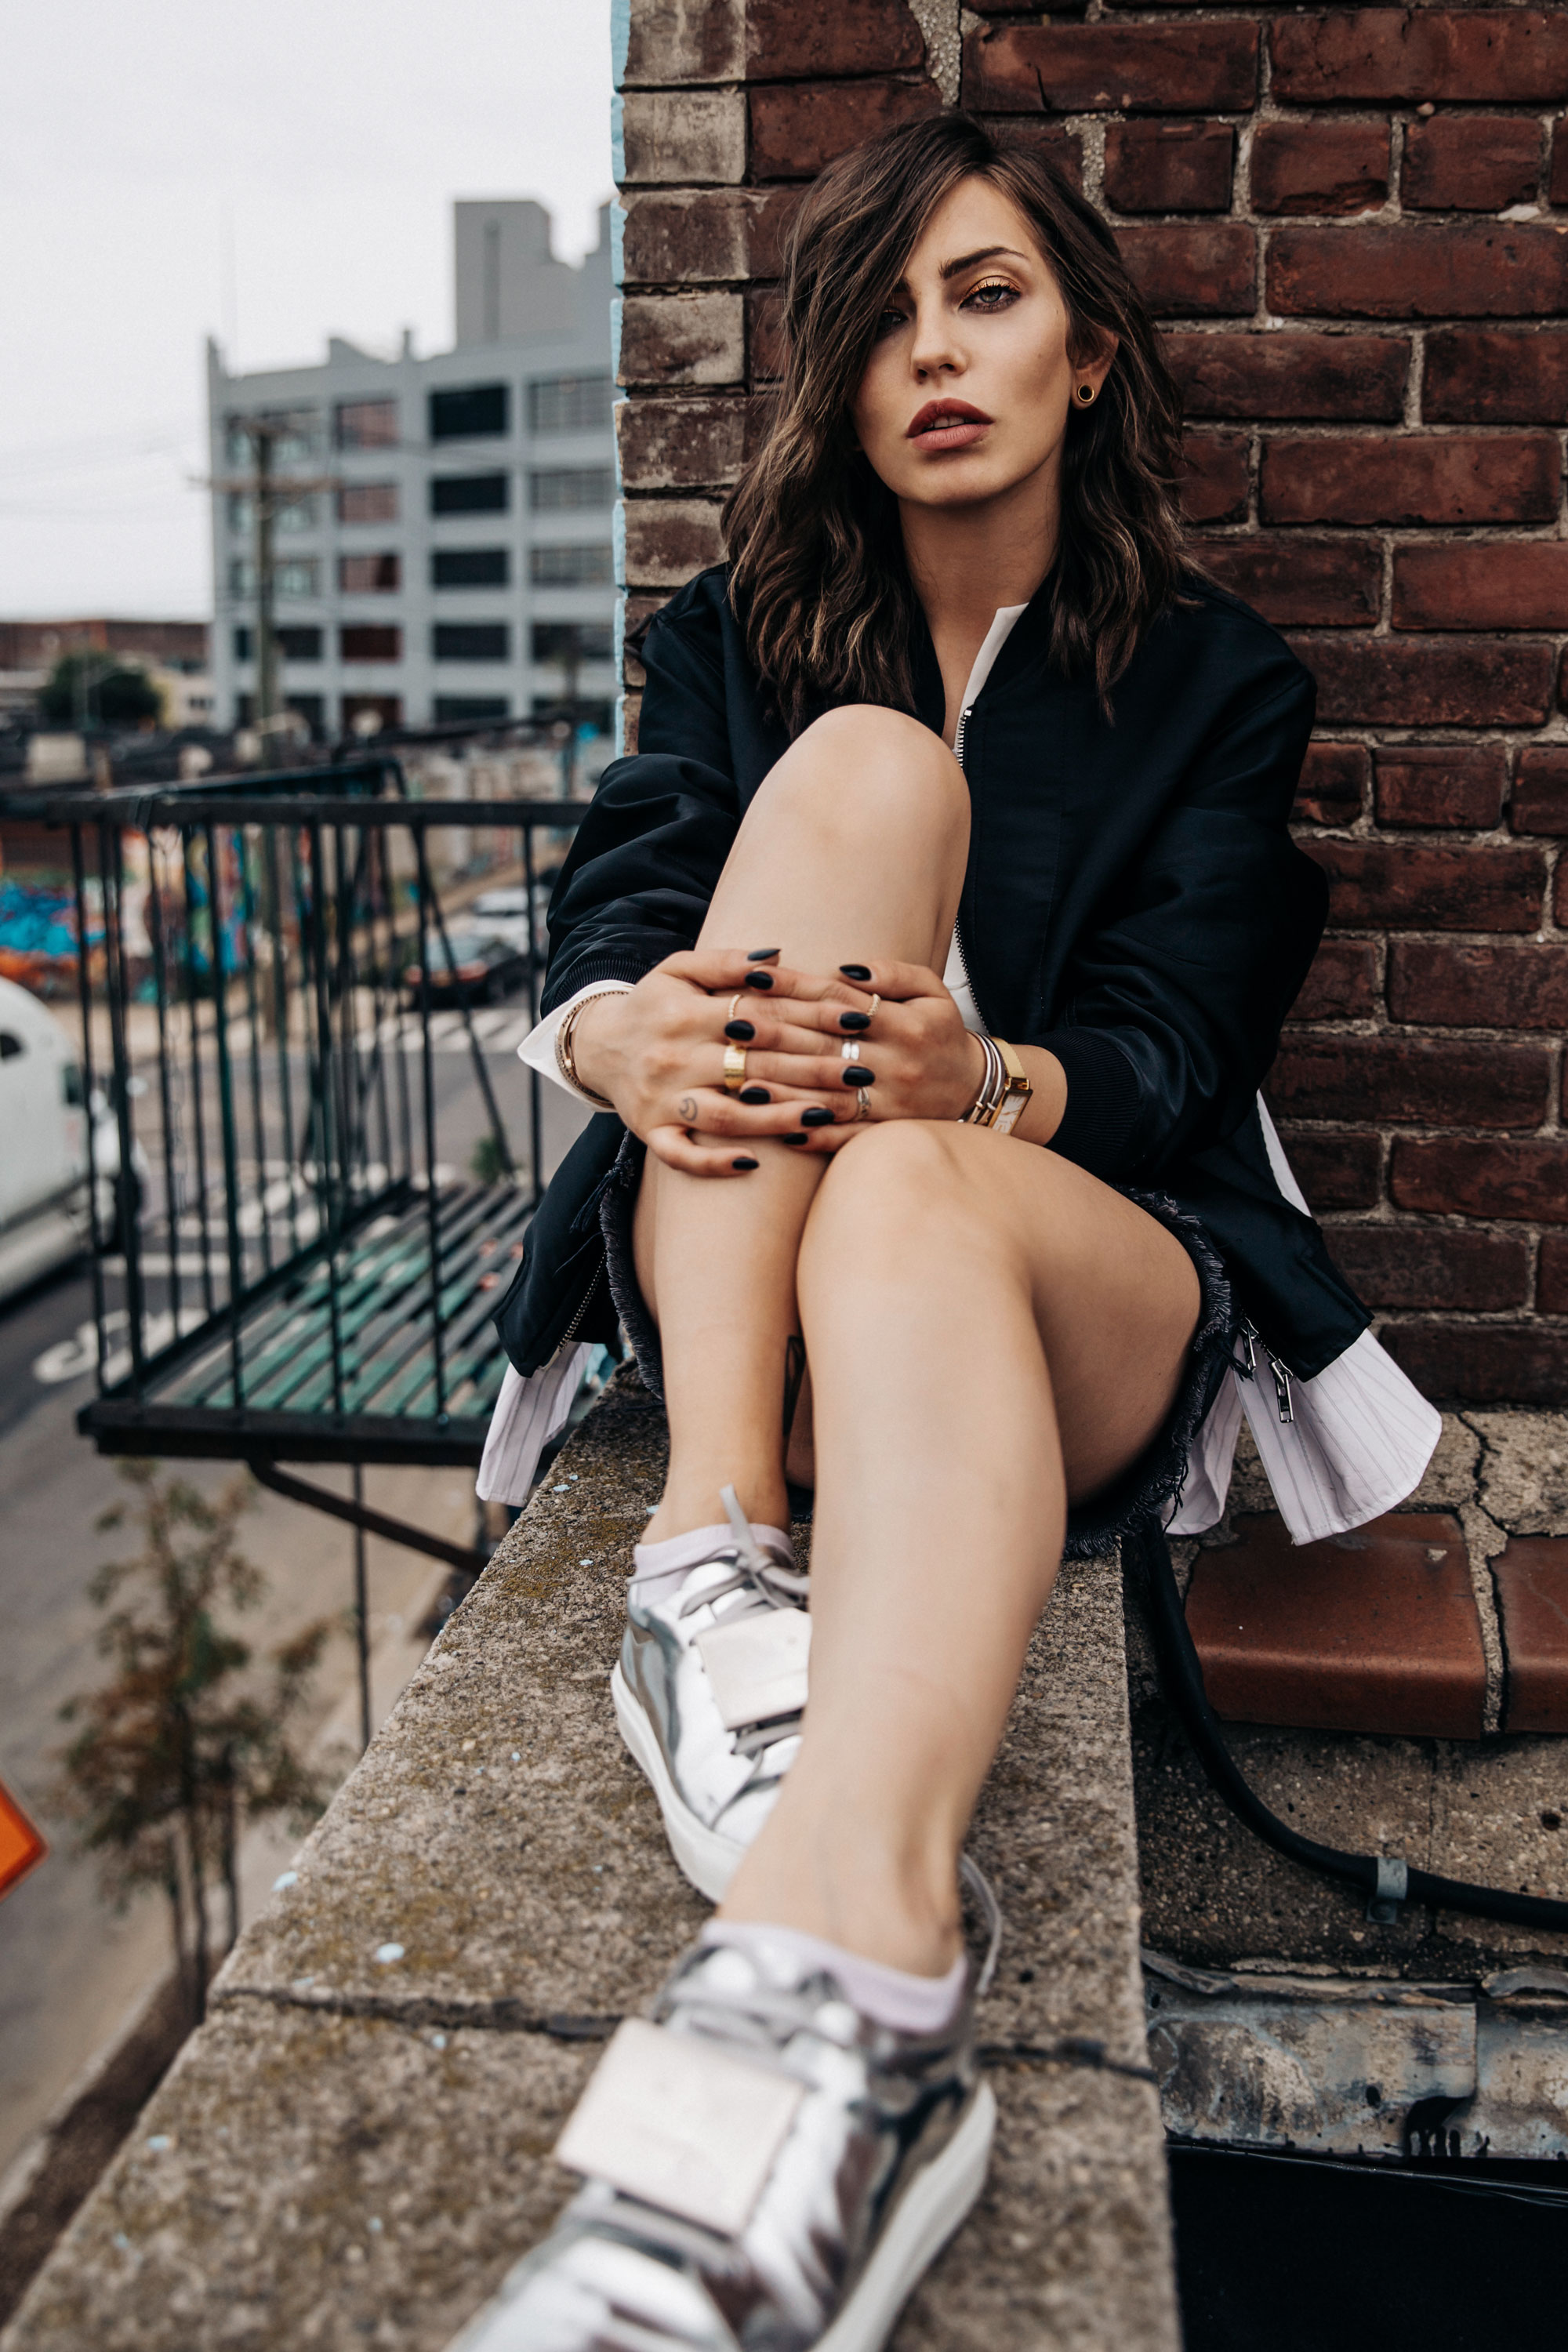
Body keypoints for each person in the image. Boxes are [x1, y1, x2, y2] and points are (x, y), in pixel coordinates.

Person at [458, 111, 1439, 2352]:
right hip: (756, 1307)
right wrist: (611, 1034)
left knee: (909, 1174)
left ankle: (846, 1967)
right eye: (882, 314)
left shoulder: (1214, 682)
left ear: (1087, 351)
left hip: (1063, 1270)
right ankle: (711, 1574)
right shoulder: (736, 635)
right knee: (866, 777)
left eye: (985, 296)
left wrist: (977, 1085)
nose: (933, 354)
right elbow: (633, 890)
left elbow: (1179, 1046)